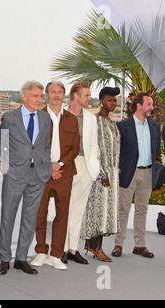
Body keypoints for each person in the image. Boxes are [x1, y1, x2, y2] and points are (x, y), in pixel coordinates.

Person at [0, 80, 52, 276]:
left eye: (41, 96)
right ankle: (4, 259)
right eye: (36, 96)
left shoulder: (45, 118)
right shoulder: (10, 117)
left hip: (38, 175)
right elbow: (1, 141)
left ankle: (21, 258)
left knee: (30, 218)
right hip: (15, 173)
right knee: (8, 217)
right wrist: (3, 165)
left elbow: (45, 145)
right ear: (24, 96)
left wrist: (45, 164)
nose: (39, 99)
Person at [32, 81, 79, 271]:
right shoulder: (37, 117)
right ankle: (41, 251)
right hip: (42, 172)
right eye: (53, 92)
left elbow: (74, 148)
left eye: (60, 92)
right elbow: (33, 145)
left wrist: (58, 165)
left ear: (64, 95)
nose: (56, 95)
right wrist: (48, 166)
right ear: (46, 94)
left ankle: (56, 254)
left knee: (62, 214)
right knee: (40, 212)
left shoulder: (71, 119)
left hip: (64, 172)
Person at [111, 92, 161, 259]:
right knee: (123, 209)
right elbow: (115, 152)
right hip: (128, 173)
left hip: (147, 173)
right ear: (139, 105)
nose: (152, 108)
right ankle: (118, 244)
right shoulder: (122, 126)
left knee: (142, 209)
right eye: (149, 104)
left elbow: (157, 151)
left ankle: (140, 245)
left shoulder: (154, 126)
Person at [81, 87, 121, 262]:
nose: (114, 103)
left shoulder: (112, 122)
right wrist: (102, 173)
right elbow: (92, 150)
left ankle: (94, 245)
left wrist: (113, 173)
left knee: (106, 211)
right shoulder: (95, 121)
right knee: (98, 210)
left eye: (115, 100)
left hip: (113, 173)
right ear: (102, 101)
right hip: (100, 174)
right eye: (110, 100)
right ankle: (95, 247)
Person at [62, 82, 100, 265]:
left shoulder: (91, 118)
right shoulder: (60, 114)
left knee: (78, 210)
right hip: (65, 165)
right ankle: (59, 249)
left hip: (85, 166)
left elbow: (94, 145)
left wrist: (95, 167)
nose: (89, 98)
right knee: (63, 209)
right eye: (86, 95)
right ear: (75, 95)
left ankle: (73, 249)